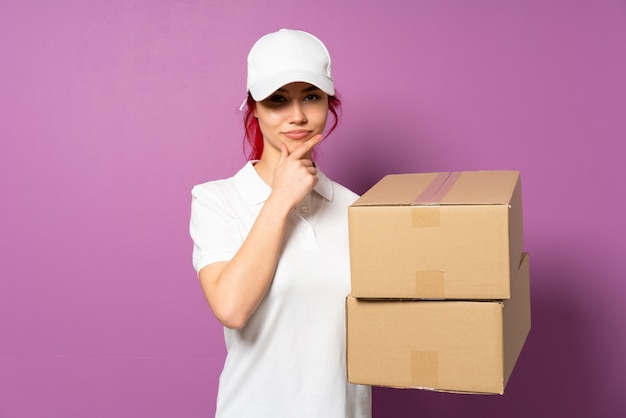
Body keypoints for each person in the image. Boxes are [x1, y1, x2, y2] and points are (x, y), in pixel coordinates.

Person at [189, 29, 372, 417]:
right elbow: (231, 308)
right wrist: (281, 199)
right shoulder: (217, 200)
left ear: (328, 103)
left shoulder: (357, 208)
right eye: (277, 100)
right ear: (253, 108)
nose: (298, 116)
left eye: (311, 96)